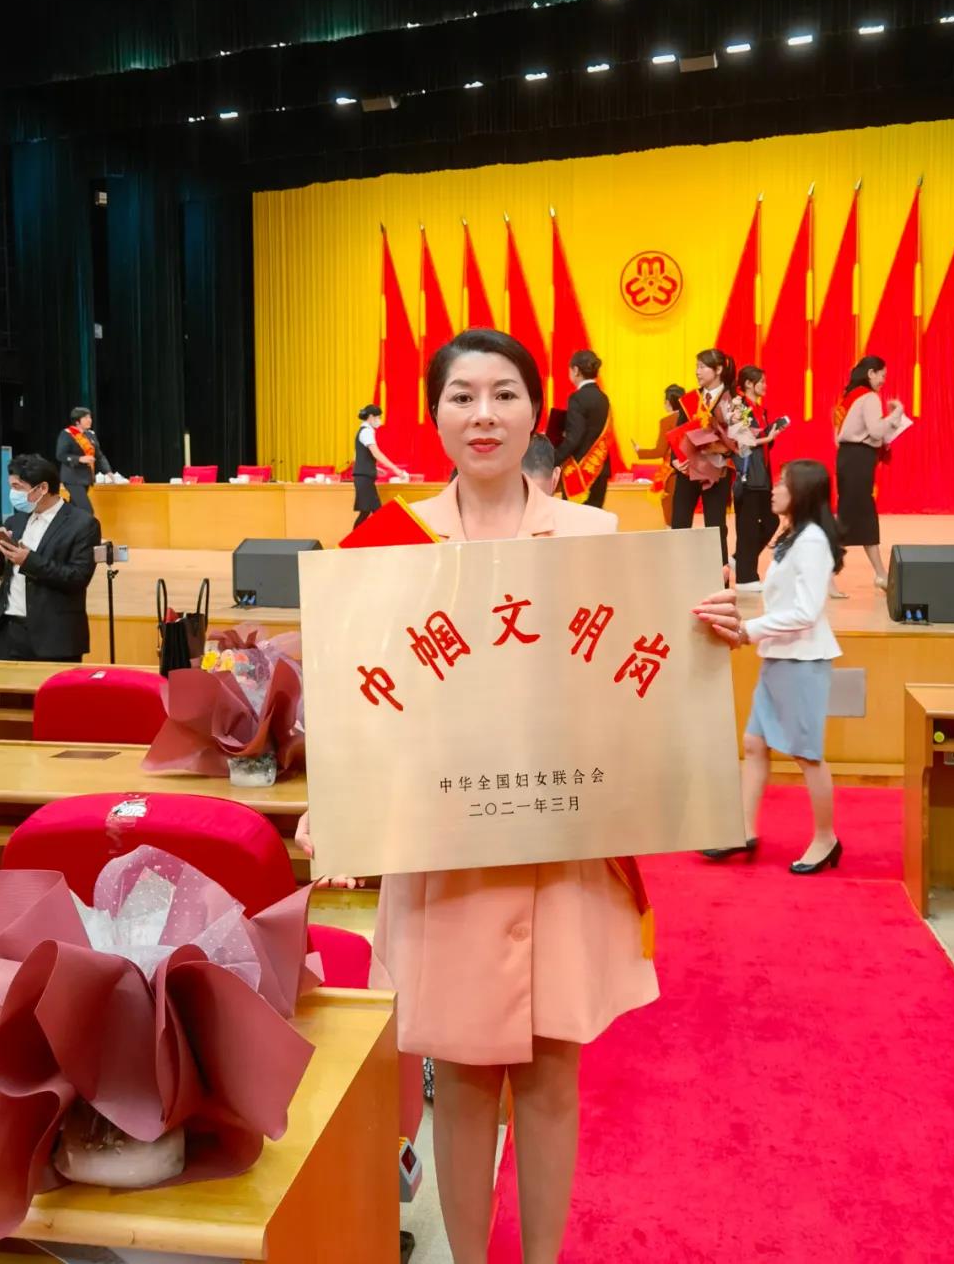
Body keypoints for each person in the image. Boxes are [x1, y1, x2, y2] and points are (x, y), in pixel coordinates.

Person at [297, 329, 658, 1264]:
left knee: (550, 1075)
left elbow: (634, 678)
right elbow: (353, 692)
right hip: (444, 850)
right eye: (462, 396)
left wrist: (702, 634)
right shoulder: (389, 541)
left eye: (505, 394)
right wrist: (335, 798)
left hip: (563, 847)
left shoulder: (593, 536)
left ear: (538, 411)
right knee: (458, 1080)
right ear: (436, 415)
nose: (484, 414)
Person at [694, 459, 844, 873]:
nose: (774, 489)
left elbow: (806, 612)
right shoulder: (792, 535)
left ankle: (826, 839)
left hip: (802, 661)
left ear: (803, 492)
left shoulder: (811, 541)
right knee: (754, 744)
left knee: (806, 754)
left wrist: (749, 630)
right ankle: (742, 830)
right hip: (779, 657)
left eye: (782, 483)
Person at [0, 453, 100, 663]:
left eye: (18, 487)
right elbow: (4, 572)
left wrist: (29, 561)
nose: (13, 494)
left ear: (42, 488)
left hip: (54, 636)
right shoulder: (15, 521)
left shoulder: (82, 524)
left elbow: (77, 578)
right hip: (9, 632)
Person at [834, 356, 905, 589]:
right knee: (858, 516)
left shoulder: (848, 397)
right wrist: (897, 414)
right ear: (871, 373)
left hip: (848, 459)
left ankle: (879, 574)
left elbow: (840, 436)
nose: (884, 380)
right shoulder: (870, 397)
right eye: (882, 375)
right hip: (859, 461)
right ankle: (876, 575)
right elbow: (876, 432)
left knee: (853, 516)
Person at [670, 349, 737, 563]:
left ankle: (719, 574)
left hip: (716, 472)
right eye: (696, 366)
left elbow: (740, 440)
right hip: (688, 470)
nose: (697, 371)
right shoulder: (690, 399)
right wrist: (675, 460)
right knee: (679, 523)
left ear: (718, 369)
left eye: (702, 367)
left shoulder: (733, 401)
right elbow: (678, 432)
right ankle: (678, 570)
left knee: (715, 527)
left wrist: (725, 448)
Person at [732, 366, 783, 591]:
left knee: (771, 521)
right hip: (746, 474)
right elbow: (740, 440)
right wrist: (766, 438)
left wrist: (771, 434)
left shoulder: (760, 410)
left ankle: (739, 559)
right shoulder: (738, 406)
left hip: (762, 474)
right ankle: (746, 578)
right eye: (761, 381)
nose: (765, 386)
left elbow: (760, 440)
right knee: (748, 527)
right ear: (748, 384)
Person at [552, 348, 613, 508]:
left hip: (578, 472)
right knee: (595, 518)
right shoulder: (604, 398)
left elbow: (574, 437)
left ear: (576, 370)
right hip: (599, 469)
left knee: (575, 519)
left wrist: (553, 459)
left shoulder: (577, 398)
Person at [633, 383, 683, 527]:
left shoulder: (666, 421)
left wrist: (639, 451)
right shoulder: (692, 418)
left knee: (670, 513)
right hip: (691, 471)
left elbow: (660, 451)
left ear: (668, 402)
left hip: (672, 472)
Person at [352, 405, 408, 528]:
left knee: (366, 512)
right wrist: (395, 469)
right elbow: (376, 453)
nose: (379, 420)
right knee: (376, 511)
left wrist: (374, 468)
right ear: (371, 417)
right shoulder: (366, 431)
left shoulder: (363, 431)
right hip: (364, 478)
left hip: (363, 477)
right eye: (378, 417)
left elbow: (357, 457)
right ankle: (385, 536)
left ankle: (354, 538)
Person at [56, 406, 113, 516]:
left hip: (86, 478)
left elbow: (99, 456)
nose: (89, 420)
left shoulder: (90, 435)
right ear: (77, 421)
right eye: (86, 418)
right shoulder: (66, 434)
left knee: (74, 509)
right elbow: (61, 455)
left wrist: (108, 471)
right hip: (72, 478)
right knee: (87, 511)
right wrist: (79, 459)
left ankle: (63, 522)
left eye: (90, 417)